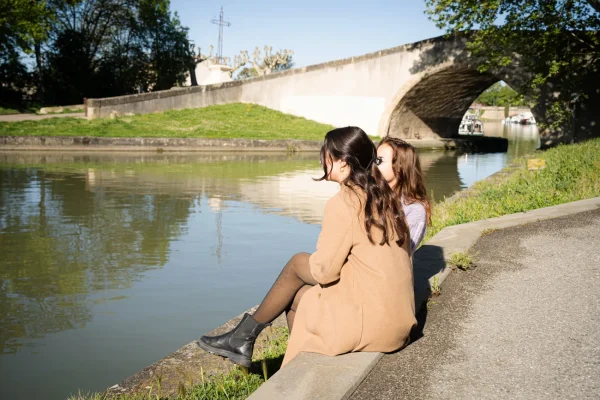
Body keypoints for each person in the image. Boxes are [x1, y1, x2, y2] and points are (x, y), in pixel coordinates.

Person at [197, 127, 417, 368]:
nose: (321, 158)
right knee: (302, 291)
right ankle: (250, 343)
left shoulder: (345, 202)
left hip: (372, 325)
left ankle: (266, 353)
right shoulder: (386, 199)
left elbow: (324, 272)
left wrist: (316, 261)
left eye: (326, 153)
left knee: (297, 272)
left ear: (342, 163)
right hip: (398, 322)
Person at [374, 137, 431, 254]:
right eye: (373, 160)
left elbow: (402, 254)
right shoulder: (370, 196)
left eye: (379, 161)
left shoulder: (414, 210)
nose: (373, 165)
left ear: (400, 168)